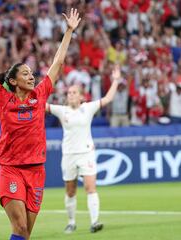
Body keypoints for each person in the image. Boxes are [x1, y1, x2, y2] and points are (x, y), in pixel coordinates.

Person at [0, 8, 81, 240]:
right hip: (11, 169)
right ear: (12, 81)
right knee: (19, 226)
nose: (32, 77)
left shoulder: (40, 95)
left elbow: (58, 63)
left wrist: (69, 31)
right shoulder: (2, 97)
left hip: (37, 170)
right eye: (26, 74)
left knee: (25, 234)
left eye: (32, 73)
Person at [46, 65, 122, 234]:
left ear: (81, 96)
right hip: (68, 155)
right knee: (70, 191)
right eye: (69, 93)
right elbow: (41, 106)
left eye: (74, 92)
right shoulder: (61, 110)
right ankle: (71, 222)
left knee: (90, 188)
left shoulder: (88, 108)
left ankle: (95, 222)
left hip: (86, 153)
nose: (71, 95)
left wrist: (115, 80)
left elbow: (108, 98)